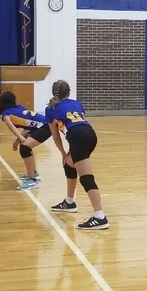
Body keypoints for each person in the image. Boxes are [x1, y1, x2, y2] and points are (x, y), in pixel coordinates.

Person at [45, 79, 109, 230]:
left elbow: (56, 136)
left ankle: (100, 217)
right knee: (69, 164)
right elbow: (79, 121)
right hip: (90, 133)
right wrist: (69, 152)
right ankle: (69, 202)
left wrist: (62, 153)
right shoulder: (76, 103)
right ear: (69, 92)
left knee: (86, 178)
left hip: (78, 136)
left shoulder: (50, 109)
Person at [0, 90, 49, 190]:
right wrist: (18, 140)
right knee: (25, 146)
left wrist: (20, 138)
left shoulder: (6, 114)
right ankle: (33, 173)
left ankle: (32, 181)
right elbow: (28, 126)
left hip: (45, 127)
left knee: (25, 147)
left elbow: (11, 127)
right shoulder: (20, 107)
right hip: (42, 125)